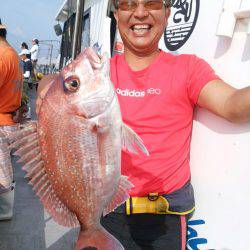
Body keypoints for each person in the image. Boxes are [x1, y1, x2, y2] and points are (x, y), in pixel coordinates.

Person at [37, 1, 250, 249]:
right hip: (105, 212)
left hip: (165, 216)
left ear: (167, 13)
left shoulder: (188, 69)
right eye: (128, 4)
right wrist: (47, 86)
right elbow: (60, 83)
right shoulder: (100, 75)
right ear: (117, 15)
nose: (139, 13)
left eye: (152, 3)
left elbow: (233, 105)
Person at [0, 18, 23, 221]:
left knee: (2, 172)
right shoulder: (13, 54)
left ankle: (4, 212)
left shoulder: (1, 56)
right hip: (10, 120)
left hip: (1, 123)